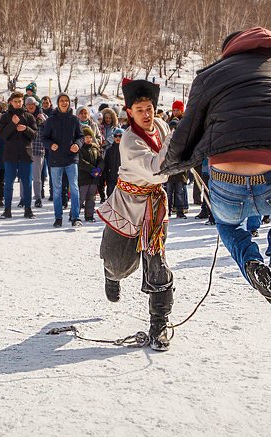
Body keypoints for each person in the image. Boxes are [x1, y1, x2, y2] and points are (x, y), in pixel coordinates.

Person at [160, 27, 271, 309]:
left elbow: (187, 128)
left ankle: (251, 261)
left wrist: (171, 165)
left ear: (229, 50)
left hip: (227, 181)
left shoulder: (208, 75)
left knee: (227, 223)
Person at [96, 79, 175, 350]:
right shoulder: (129, 142)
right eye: (139, 109)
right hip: (127, 204)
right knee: (119, 262)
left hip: (154, 208)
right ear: (130, 112)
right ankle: (111, 275)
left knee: (157, 266)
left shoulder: (162, 127)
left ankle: (159, 324)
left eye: (149, 108)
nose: (146, 113)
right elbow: (158, 170)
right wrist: (176, 143)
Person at [41, 93, 85, 227]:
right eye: (62, 101)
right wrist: (50, 145)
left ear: (69, 103)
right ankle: (58, 217)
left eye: (66, 101)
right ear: (58, 103)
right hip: (55, 160)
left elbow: (81, 136)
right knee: (57, 189)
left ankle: (75, 217)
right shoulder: (51, 120)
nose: (64, 103)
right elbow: (44, 138)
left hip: (71, 159)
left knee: (74, 188)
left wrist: (78, 144)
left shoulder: (74, 119)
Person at [0, 92, 38, 219]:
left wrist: (25, 129)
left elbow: (35, 135)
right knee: (8, 184)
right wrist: (13, 124)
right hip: (10, 155)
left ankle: (28, 210)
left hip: (26, 155)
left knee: (27, 184)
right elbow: (3, 136)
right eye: (15, 101)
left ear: (23, 102)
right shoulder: (4, 117)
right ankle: (7, 210)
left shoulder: (29, 117)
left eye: (20, 101)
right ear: (11, 102)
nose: (18, 103)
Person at [77, 127, 104, 221]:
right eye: (86, 137)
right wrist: (92, 169)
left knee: (91, 198)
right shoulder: (80, 148)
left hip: (94, 178)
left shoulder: (95, 147)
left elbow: (101, 159)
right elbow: (80, 162)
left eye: (90, 137)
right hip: (84, 178)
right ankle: (75, 215)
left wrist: (99, 169)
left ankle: (89, 216)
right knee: (81, 198)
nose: (88, 139)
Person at [25, 97, 47, 208]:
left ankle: (38, 198)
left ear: (36, 104)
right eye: (28, 104)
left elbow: (49, 129)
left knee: (37, 177)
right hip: (25, 149)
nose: (30, 106)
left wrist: (43, 120)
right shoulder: (24, 116)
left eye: (32, 103)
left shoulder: (42, 116)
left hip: (38, 149)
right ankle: (23, 198)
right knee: (24, 176)